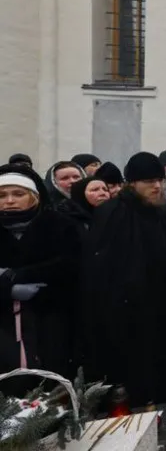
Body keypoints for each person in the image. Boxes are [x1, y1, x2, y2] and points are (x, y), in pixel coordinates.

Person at [81, 152, 166, 408]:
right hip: (126, 312)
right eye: (148, 182)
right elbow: (104, 266)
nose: (156, 187)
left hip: (159, 306)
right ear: (132, 183)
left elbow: (162, 249)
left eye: (159, 181)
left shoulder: (157, 211)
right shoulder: (112, 212)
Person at [0, 164, 81, 387]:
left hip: (52, 322)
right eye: (2, 195)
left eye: (18, 194)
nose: (9, 200)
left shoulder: (59, 226)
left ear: (34, 197)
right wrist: (7, 287)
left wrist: (19, 275)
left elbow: (72, 267)